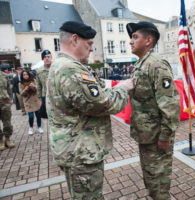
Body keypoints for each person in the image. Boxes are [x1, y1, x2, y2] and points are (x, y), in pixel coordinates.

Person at [47, 21, 134, 199]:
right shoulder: (70, 69)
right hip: (81, 154)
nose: (92, 49)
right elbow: (103, 104)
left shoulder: (62, 65)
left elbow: (93, 93)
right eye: (89, 44)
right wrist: (123, 88)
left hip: (74, 150)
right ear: (74, 39)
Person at [126, 21, 180, 200]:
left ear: (148, 40)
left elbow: (170, 106)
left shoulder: (157, 65)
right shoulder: (142, 64)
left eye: (135, 37)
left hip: (157, 138)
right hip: (146, 136)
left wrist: (165, 137)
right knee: (151, 180)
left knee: (159, 184)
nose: (131, 41)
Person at [19, 70, 42, 135]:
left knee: (38, 115)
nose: (26, 76)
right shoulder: (20, 83)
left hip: (35, 101)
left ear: (29, 75)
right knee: (31, 116)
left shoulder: (33, 81)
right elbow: (21, 94)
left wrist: (34, 87)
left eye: (27, 74)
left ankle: (39, 127)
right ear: (22, 76)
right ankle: (31, 128)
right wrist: (25, 90)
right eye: (24, 75)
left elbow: (37, 90)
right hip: (28, 102)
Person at [0, 70, 14, 150]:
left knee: (7, 123)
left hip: (5, 102)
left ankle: (7, 139)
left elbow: (9, 89)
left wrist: (10, 100)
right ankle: (0, 140)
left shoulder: (4, 75)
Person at [36, 49, 52, 118]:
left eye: (48, 56)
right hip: (45, 96)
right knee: (47, 115)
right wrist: (39, 98)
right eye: (45, 57)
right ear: (43, 59)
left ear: (51, 57)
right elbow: (38, 85)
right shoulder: (39, 71)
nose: (47, 58)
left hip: (56, 96)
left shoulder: (56, 68)